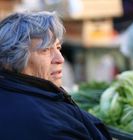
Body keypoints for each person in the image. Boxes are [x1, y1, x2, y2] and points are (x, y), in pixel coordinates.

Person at [0, 11, 112, 140]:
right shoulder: (46, 124)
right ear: (13, 57)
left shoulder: (22, 91)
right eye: (45, 50)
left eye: (58, 48)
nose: (60, 59)